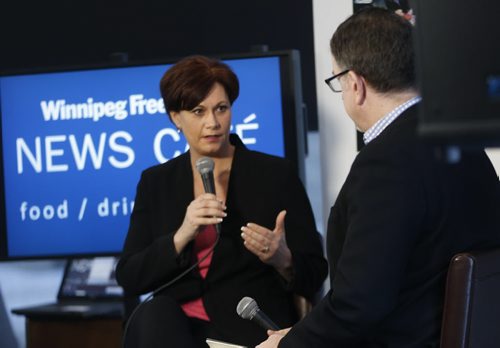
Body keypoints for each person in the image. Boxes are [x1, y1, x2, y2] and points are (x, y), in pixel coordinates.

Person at [258, 7, 500, 347]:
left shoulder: (385, 163)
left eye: (337, 82)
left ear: (355, 84)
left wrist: (288, 345)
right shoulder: (462, 144)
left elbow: (359, 305)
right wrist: (300, 334)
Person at [115, 55, 327, 348]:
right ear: (175, 118)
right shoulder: (156, 181)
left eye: (221, 109)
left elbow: (316, 272)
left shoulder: (275, 175)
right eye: (198, 111)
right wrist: (182, 234)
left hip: (248, 327)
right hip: (176, 332)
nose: (213, 123)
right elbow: (130, 275)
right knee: (155, 314)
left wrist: (283, 258)